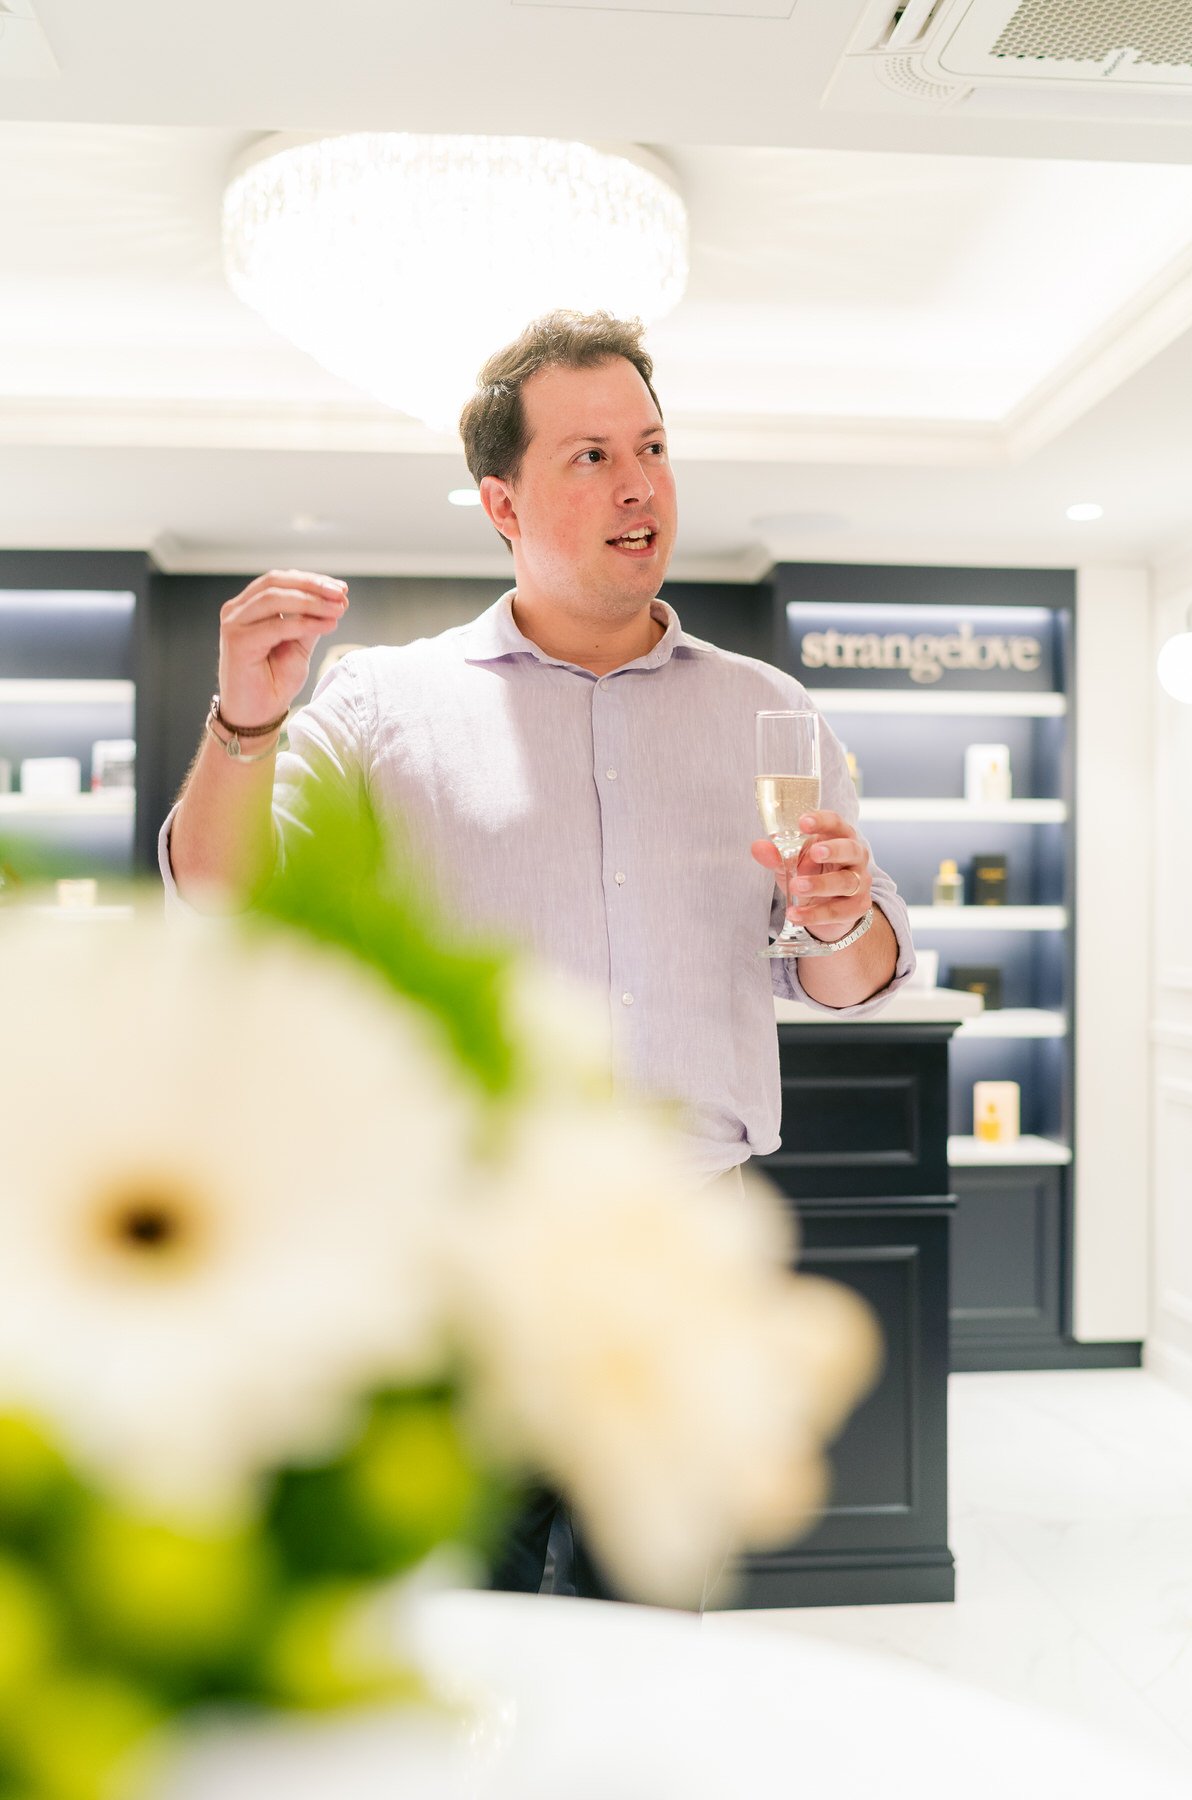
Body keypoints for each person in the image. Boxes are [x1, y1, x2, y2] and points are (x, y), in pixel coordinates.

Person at [161, 310, 914, 1599]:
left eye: (653, 447)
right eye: (591, 456)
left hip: (685, 1255)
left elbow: (849, 978)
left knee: (653, 1630)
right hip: (463, 1258)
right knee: (468, 1630)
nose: (639, 484)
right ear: (502, 503)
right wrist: (245, 720)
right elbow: (223, 900)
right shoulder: (385, 704)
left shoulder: (766, 709)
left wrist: (844, 915)